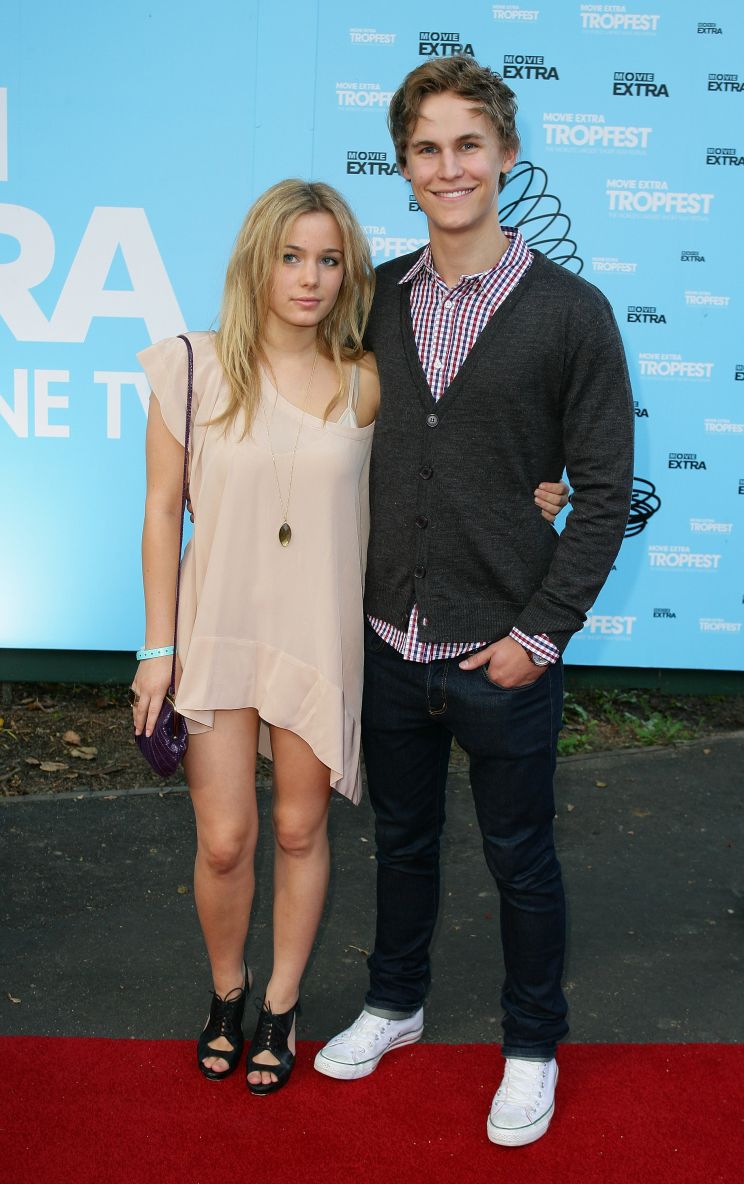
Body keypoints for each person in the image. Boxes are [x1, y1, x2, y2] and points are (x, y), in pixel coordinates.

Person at [130, 178, 569, 1095]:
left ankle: (281, 1006)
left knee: (299, 830)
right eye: (291, 257)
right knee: (224, 840)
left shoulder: (371, 380)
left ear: (348, 274)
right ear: (257, 261)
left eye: (329, 260)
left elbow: (448, 460)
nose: (310, 278)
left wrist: (535, 490)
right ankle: (227, 990)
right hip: (215, 632)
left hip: (318, 638)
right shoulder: (190, 366)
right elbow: (161, 513)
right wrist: (156, 652)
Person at [314, 57, 634, 1149]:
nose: (448, 167)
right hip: (390, 641)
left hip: (502, 651)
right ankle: (394, 1002)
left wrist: (538, 637)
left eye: (468, 144)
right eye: (426, 148)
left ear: (505, 155)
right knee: (402, 843)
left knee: (520, 859)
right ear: (403, 167)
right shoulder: (373, 299)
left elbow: (602, 493)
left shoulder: (572, 312)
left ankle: (532, 1046)